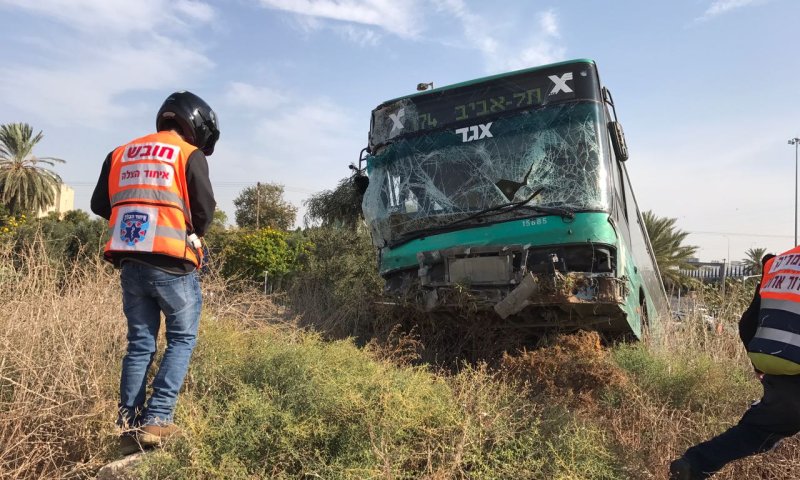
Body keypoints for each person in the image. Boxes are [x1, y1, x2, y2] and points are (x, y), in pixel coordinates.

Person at [90, 91, 219, 455]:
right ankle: (157, 419)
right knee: (181, 339)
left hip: (131, 264)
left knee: (140, 344)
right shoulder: (186, 154)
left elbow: (100, 203)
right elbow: (204, 212)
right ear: (194, 125)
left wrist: (136, 217)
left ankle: (127, 423)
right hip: (172, 263)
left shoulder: (120, 153)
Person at [669, 251, 800, 479]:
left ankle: (693, 464)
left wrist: (761, 366)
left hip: (781, 372)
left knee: (757, 430)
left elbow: (747, 323)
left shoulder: (778, 263)